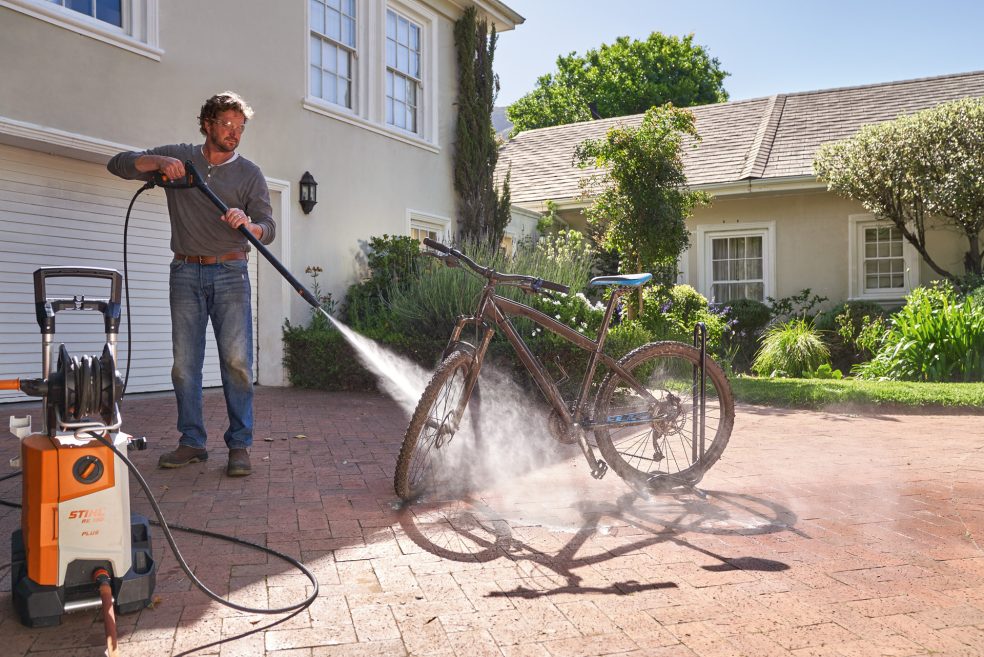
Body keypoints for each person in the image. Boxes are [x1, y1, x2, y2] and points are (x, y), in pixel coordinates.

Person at [108, 91, 275, 477]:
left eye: (240, 127)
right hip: (184, 273)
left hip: (231, 273)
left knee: (236, 364)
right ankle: (192, 443)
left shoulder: (250, 174)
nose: (234, 133)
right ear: (207, 124)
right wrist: (159, 162)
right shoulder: (181, 157)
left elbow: (268, 227)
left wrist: (247, 224)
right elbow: (117, 164)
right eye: (227, 124)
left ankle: (239, 445)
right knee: (184, 366)